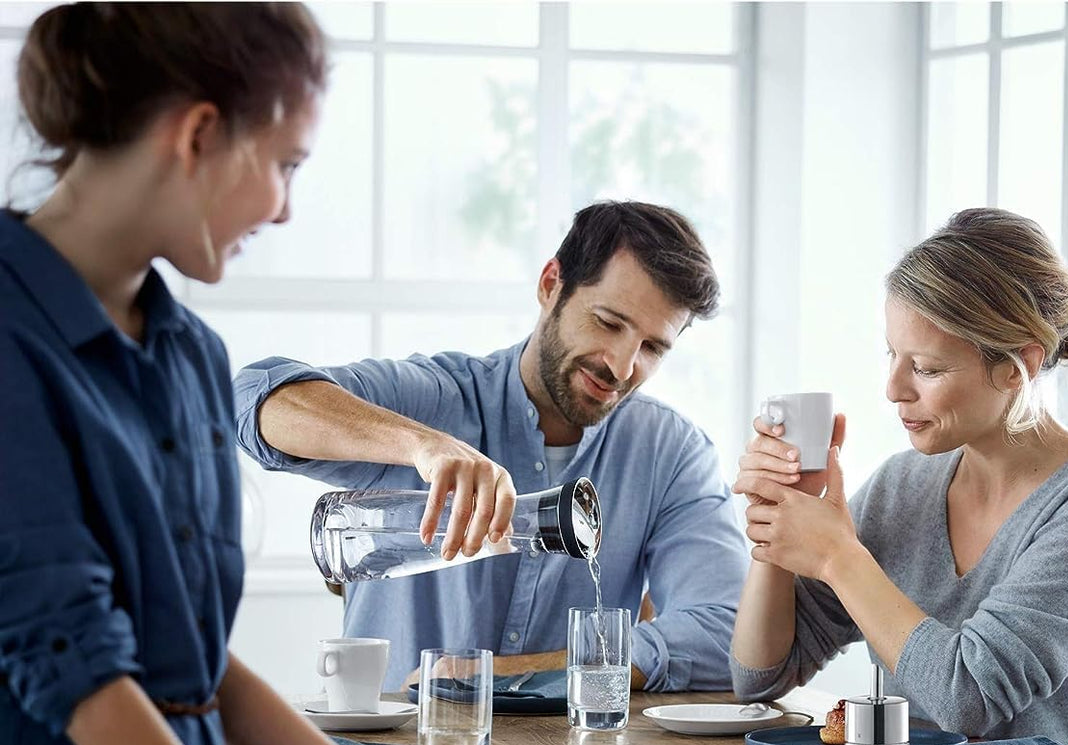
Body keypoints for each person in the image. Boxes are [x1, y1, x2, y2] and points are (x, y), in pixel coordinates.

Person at [0, 6, 521, 745]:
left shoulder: (189, 353)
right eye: (282, 165)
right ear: (197, 135)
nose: (283, 207)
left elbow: (186, 657)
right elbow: (82, 670)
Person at [729, 208, 1068, 745]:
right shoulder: (902, 486)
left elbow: (968, 696)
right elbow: (759, 678)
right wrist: (780, 527)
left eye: (928, 368)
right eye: (891, 355)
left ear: (1020, 367)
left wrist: (838, 556)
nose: (893, 389)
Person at [233, 200, 748, 692]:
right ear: (551, 286)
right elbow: (254, 400)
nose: (620, 365)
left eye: (652, 347)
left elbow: (727, 635)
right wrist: (422, 446)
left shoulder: (670, 453)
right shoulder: (435, 399)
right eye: (608, 323)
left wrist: (512, 675)